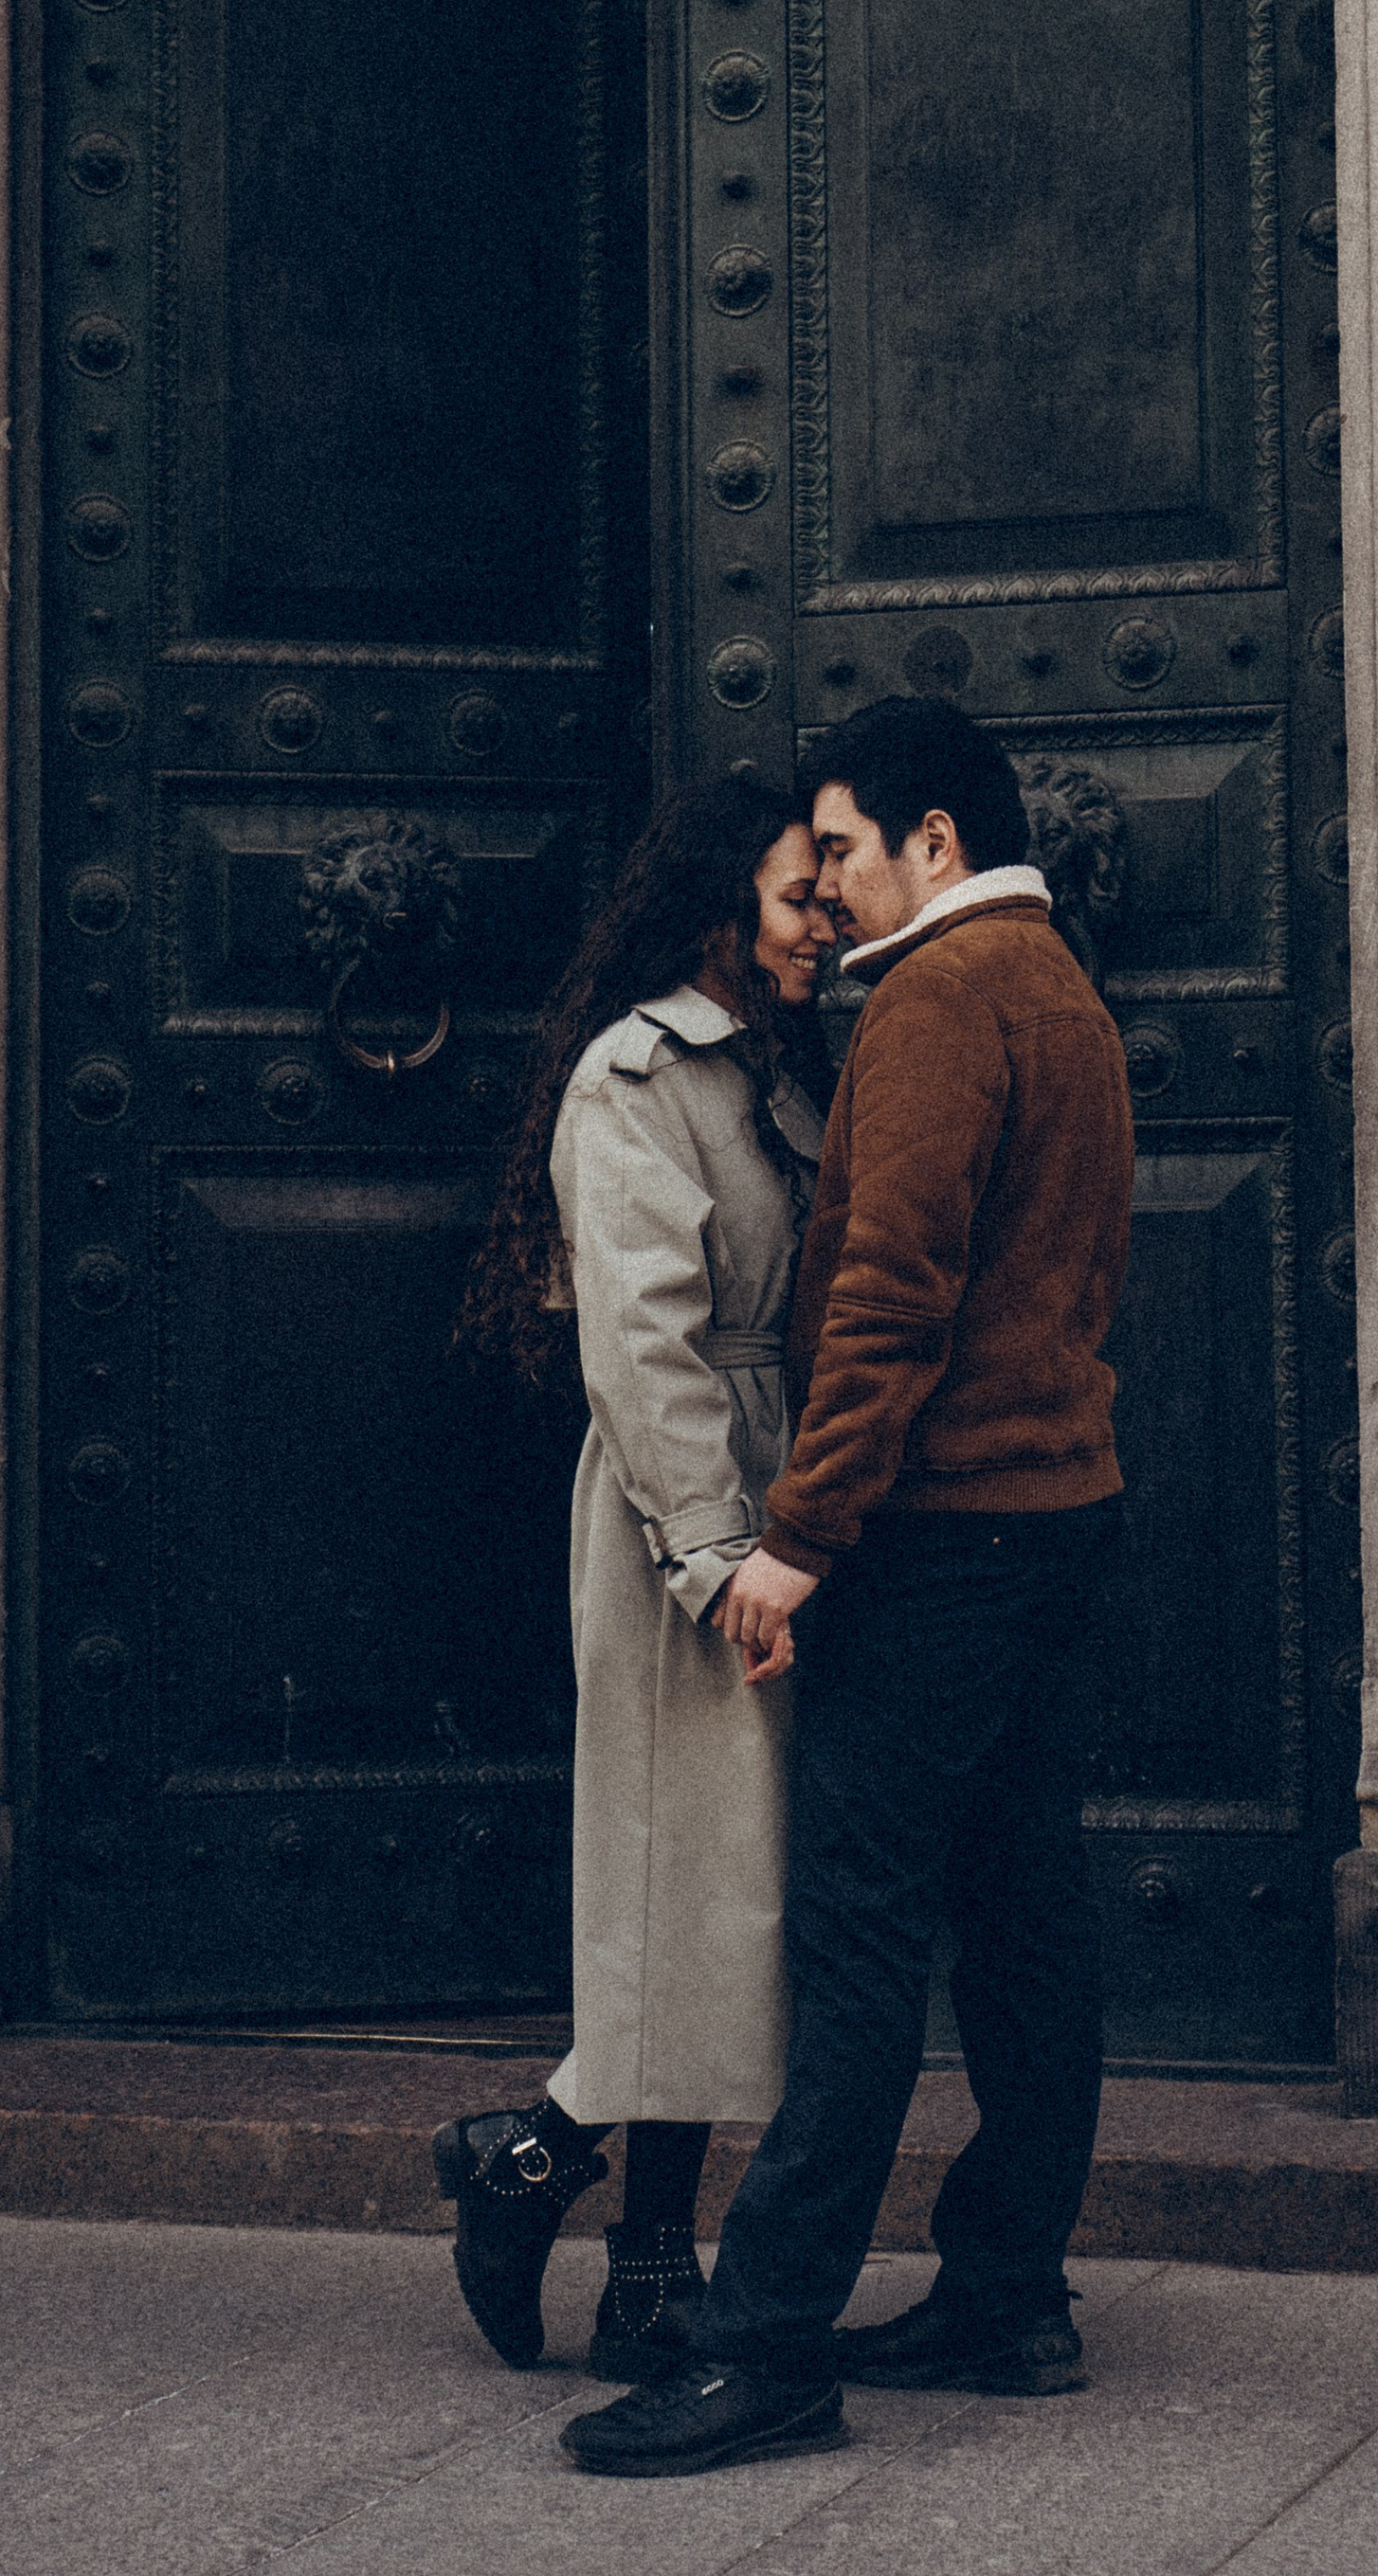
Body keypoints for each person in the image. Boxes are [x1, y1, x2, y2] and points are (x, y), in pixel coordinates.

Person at [562, 695, 1133, 2481]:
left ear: (933, 843)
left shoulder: (944, 1000)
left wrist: (798, 1537)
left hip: (936, 1536)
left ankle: (764, 2342)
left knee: (865, 1940)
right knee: (1030, 1927)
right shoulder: (1065, 986)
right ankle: (1007, 2292)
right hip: (1058, 1516)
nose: (825, 887)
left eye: (845, 849)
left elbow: (891, 1294)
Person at [433, 774, 833, 2384]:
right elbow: (642, 1346)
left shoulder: (777, 1069)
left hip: (774, 1498)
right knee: (687, 1892)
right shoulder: (635, 1077)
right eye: (800, 894)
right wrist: (717, 1555)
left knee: (728, 1907)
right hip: (688, 1519)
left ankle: (542, 2180)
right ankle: (622, 2242)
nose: (825, 923)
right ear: (718, 905)